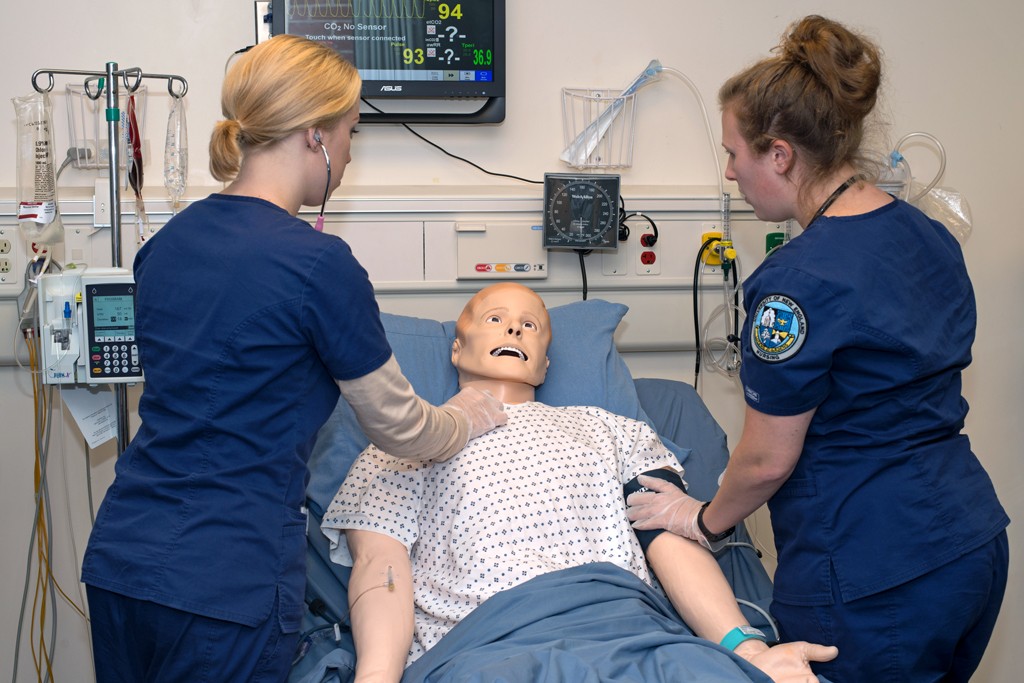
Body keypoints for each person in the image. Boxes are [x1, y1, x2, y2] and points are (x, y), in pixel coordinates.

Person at [80, 35, 504, 682]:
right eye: (352, 130)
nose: (352, 152)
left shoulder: (164, 246)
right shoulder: (318, 265)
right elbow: (401, 427)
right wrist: (468, 414)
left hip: (121, 564)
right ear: (316, 136)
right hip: (224, 585)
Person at [626, 15, 1009, 683]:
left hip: (873, 579)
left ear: (779, 154)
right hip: (969, 543)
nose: (729, 173)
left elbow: (769, 457)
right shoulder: (927, 234)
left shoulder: (793, 284)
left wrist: (705, 520)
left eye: (733, 153)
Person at [322, 282, 837, 683]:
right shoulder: (404, 443)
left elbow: (665, 534)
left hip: (628, 631)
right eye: (495, 319)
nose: (514, 330)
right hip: (486, 642)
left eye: (531, 326)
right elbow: (380, 566)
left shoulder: (611, 429)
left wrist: (747, 652)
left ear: (546, 362)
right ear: (457, 350)